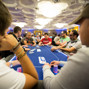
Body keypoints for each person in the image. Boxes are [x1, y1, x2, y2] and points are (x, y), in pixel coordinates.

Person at [42, 3, 89, 89]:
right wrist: (60, 62)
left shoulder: (86, 55)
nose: (79, 31)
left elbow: (52, 87)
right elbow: (63, 45)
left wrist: (46, 68)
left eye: (80, 25)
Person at [0, 1, 38, 89]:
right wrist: (17, 47)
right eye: (6, 32)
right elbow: (33, 78)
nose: (6, 36)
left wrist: (11, 63)